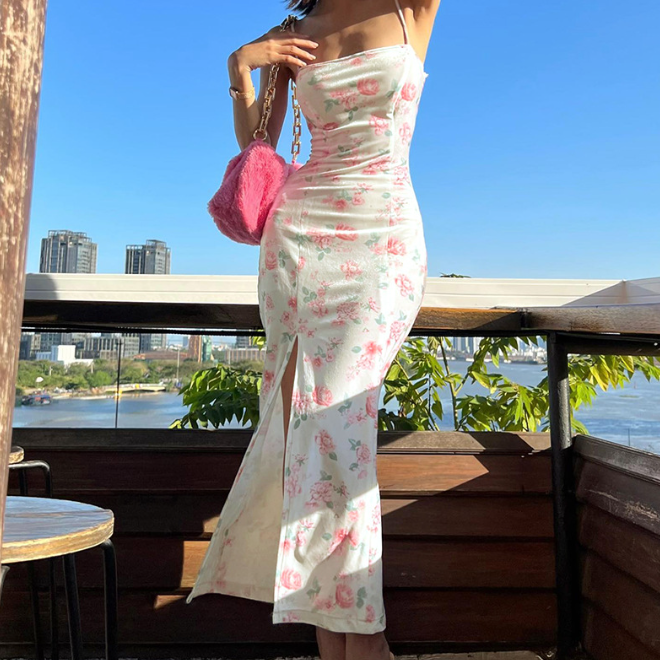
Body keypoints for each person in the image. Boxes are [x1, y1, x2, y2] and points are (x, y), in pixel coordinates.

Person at [186, 1, 441, 658]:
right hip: (297, 244)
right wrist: (241, 66)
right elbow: (256, 144)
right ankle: (343, 643)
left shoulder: (412, 9)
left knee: (336, 432)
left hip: (381, 243)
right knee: (309, 441)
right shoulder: (292, 35)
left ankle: (366, 640)